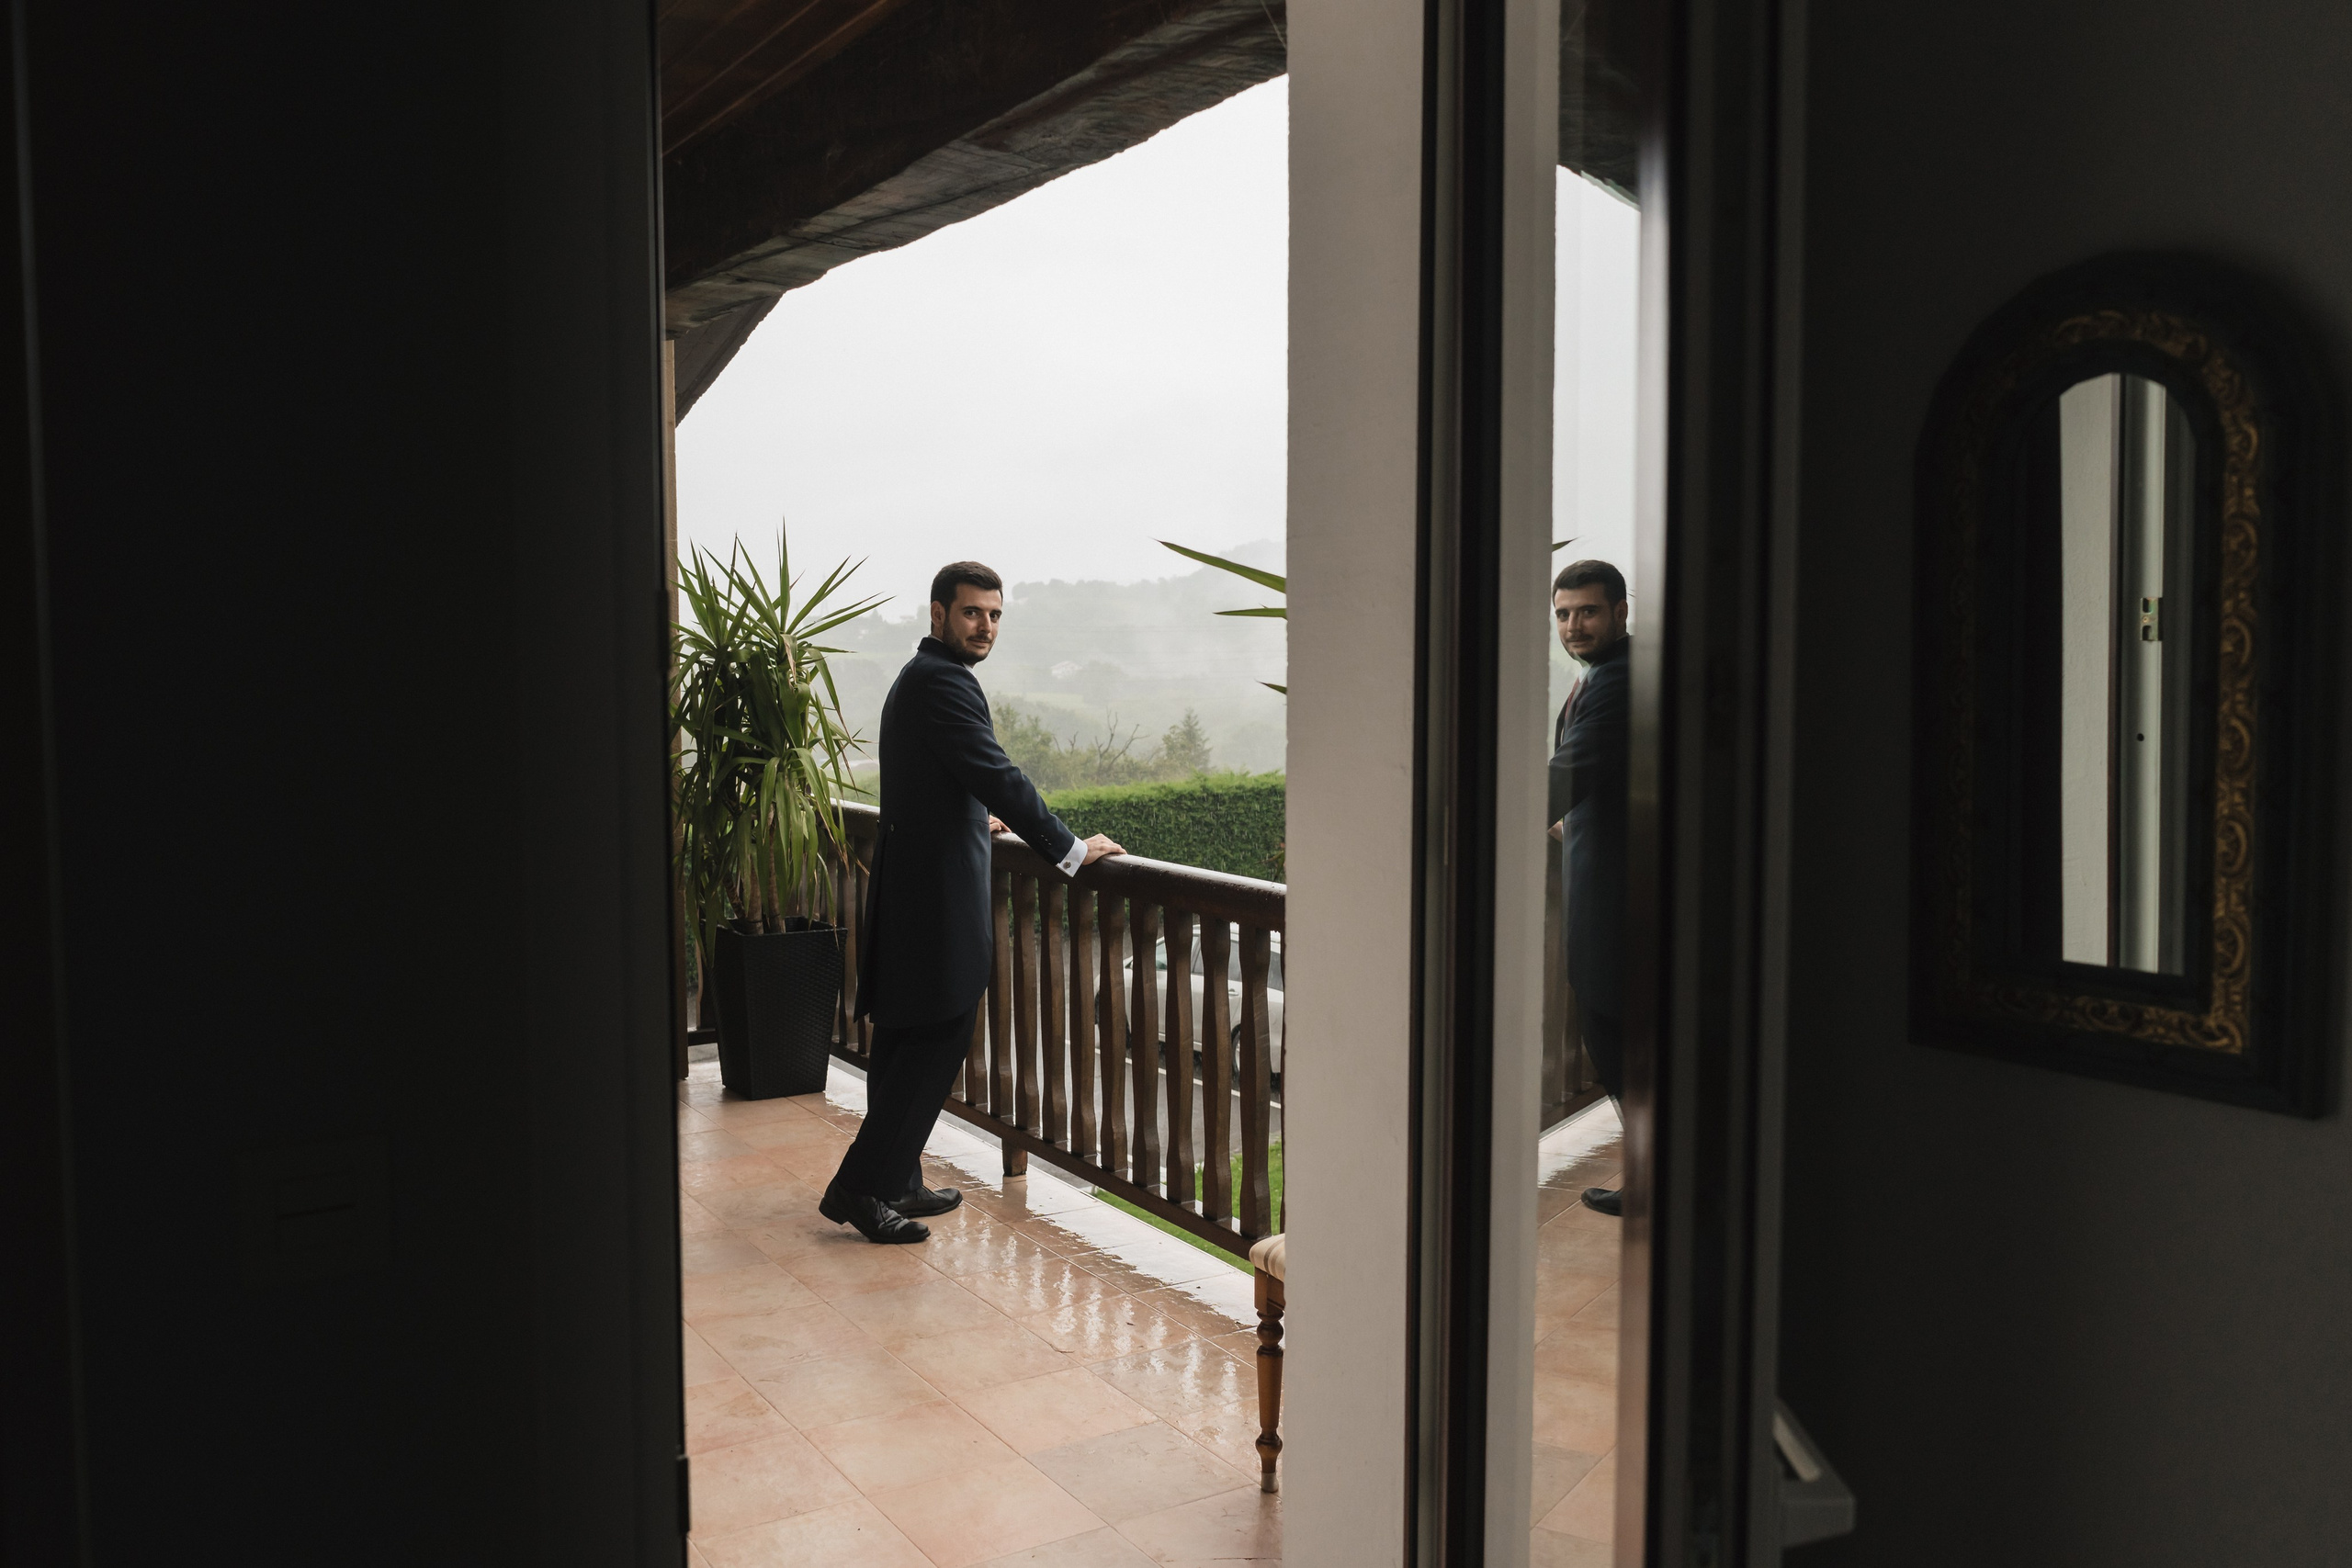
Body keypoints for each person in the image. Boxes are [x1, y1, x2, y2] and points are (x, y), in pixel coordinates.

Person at [821, 561, 1124, 1244]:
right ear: (937, 614)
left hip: (912, 885)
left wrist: (967, 816)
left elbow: (940, 775)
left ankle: (897, 1177)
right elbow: (996, 772)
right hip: (933, 901)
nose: (985, 625)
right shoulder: (944, 683)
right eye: (971, 613)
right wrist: (1069, 849)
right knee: (937, 1035)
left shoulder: (921, 678)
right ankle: (860, 1187)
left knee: (904, 1037)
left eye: (994, 615)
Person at [1547, 558, 1631, 1217]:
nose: (1575, 625)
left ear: (1620, 612)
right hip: (1602, 888)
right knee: (1615, 1040)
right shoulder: (1599, 677)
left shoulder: (1617, 682)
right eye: (1564, 614)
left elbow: (1567, 773)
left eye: (1588, 612)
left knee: (1619, 1040)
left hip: (1617, 904)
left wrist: (1479, 831)